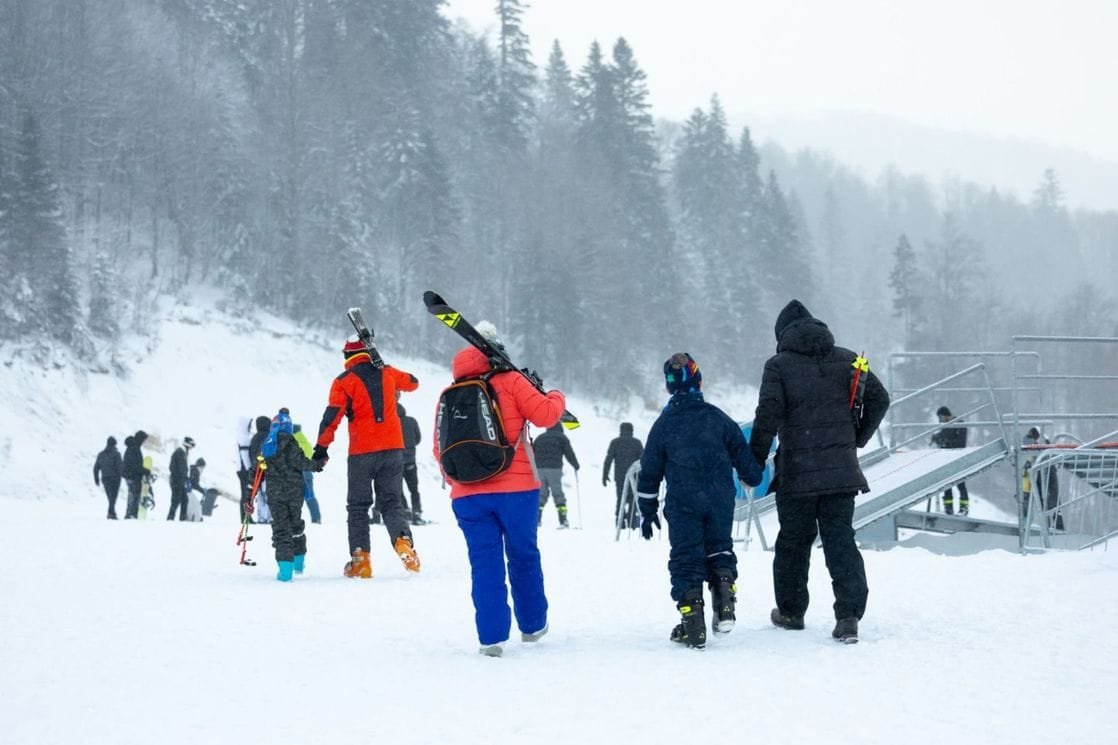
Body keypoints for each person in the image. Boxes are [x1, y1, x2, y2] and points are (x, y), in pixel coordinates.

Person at [749, 300, 890, 644]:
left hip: (797, 473)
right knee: (840, 541)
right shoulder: (848, 360)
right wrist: (856, 437)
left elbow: (768, 415)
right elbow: (880, 399)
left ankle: (792, 612)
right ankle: (848, 616)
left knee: (793, 542)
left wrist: (754, 462)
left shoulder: (778, 366)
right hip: (841, 474)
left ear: (782, 335)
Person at [433, 322, 567, 657]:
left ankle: (491, 639)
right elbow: (546, 415)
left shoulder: (449, 393)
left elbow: (439, 448)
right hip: (516, 490)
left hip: (467, 495)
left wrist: (462, 480)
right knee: (523, 556)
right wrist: (555, 394)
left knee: (484, 563)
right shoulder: (511, 381)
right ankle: (533, 625)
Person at [636, 353, 763, 649]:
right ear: (699, 381)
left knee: (686, 556)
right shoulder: (718, 418)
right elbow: (748, 466)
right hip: (720, 499)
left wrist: (647, 509)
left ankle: (692, 623)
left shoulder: (664, 425)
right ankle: (724, 598)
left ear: (668, 389)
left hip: (683, 502)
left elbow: (650, 470)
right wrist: (752, 474)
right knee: (719, 547)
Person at [314, 337, 420, 578]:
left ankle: (361, 561)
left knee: (358, 507)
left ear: (348, 357)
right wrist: (385, 367)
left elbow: (332, 416)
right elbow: (413, 383)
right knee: (392, 502)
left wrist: (321, 448)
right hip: (393, 449)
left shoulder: (344, 381)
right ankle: (403, 542)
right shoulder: (388, 373)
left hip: (361, 452)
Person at [256, 409, 317, 581]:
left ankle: (285, 570)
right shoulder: (292, 444)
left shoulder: (267, 446)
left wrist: (249, 494)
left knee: (281, 529)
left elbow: (257, 471)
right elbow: (303, 462)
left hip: (275, 495)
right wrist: (317, 464)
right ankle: (298, 562)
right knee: (296, 525)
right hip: (295, 493)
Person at [533, 422, 580, 528]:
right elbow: (569, 453)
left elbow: (532, 452)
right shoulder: (561, 438)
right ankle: (563, 520)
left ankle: (537, 519)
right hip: (554, 469)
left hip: (539, 469)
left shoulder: (540, 438)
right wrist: (575, 465)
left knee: (541, 494)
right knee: (558, 494)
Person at [603, 422, 644, 529]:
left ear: (621, 430)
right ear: (632, 430)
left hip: (620, 476)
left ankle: (619, 522)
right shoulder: (637, 443)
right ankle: (633, 523)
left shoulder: (615, 443)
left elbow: (608, 459)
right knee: (633, 499)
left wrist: (605, 475)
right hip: (635, 477)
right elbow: (643, 461)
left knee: (621, 498)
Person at [931, 405, 969, 515]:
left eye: (941, 418)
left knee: (960, 484)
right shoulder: (946, 426)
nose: (940, 420)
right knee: (947, 485)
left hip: (958, 458)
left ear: (945, 415)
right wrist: (937, 438)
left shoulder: (959, 423)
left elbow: (961, 443)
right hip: (946, 459)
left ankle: (964, 508)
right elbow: (943, 439)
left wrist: (945, 443)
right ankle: (948, 508)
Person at [1023, 427, 1062, 530]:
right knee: (1050, 501)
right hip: (1040, 473)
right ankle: (1054, 525)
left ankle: (1052, 525)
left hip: (1039, 473)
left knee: (1046, 501)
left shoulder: (1036, 443)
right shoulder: (1041, 443)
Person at [397, 400, 425, 525]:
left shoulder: (391, 423)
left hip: (395, 462)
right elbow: (418, 438)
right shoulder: (412, 421)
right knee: (414, 489)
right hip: (410, 462)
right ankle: (417, 512)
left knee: (398, 489)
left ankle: (405, 510)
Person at [292, 424, 321, 524]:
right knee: (310, 497)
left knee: (293, 499)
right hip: (307, 473)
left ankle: (293, 520)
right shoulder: (306, 442)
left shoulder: (292, 443)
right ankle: (316, 518)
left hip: (297, 473)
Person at [249, 416, 272, 524]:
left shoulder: (254, 438)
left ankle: (261, 516)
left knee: (260, 492)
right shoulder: (269, 436)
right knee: (268, 492)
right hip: (268, 468)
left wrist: (254, 464)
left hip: (257, 468)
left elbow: (252, 453)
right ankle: (269, 516)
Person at [121, 430, 150, 519]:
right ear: (140, 439)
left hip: (131, 475)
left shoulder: (133, 447)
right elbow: (135, 465)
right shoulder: (134, 448)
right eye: (143, 439)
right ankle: (130, 514)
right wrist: (145, 471)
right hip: (132, 475)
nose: (144, 442)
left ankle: (132, 513)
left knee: (134, 494)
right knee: (134, 494)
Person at [93, 436, 123, 519]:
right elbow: (120, 467)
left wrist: (96, 479)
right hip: (115, 478)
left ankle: (112, 513)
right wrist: (121, 476)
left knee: (110, 497)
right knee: (113, 497)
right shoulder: (117, 454)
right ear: (115, 444)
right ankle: (111, 513)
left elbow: (96, 467)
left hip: (105, 478)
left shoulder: (101, 454)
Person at [167, 436, 196, 521]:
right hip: (177, 480)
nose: (192, 447)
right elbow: (178, 468)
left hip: (180, 480)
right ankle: (170, 519)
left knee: (184, 500)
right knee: (176, 501)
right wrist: (183, 478)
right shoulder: (180, 452)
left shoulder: (183, 452)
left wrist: (185, 479)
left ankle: (182, 519)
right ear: (188, 444)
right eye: (192, 445)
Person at [235, 417, 255, 522]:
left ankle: (245, 517)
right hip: (245, 471)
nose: (250, 427)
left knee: (245, 494)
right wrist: (250, 470)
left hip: (241, 470)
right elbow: (245, 456)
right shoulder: (244, 438)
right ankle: (246, 517)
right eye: (249, 425)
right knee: (246, 494)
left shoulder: (240, 437)